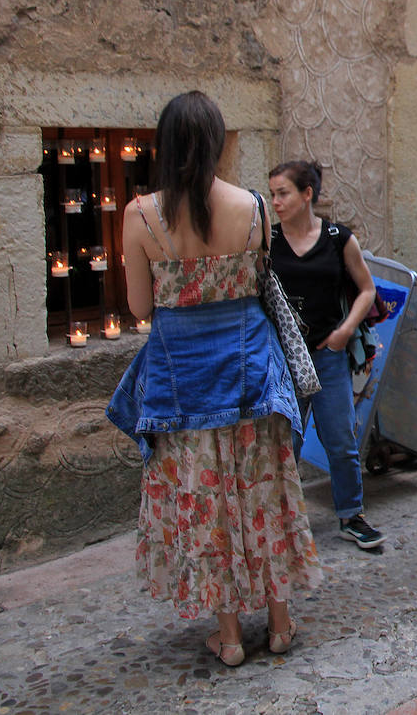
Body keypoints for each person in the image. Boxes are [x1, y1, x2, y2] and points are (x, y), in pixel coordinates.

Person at [107, 92, 319, 668]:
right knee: (263, 494)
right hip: (252, 374)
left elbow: (140, 308)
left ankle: (228, 637)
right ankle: (279, 624)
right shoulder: (253, 207)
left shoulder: (140, 215)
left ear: (164, 143)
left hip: (184, 384)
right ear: (220, 141)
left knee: (207, 504)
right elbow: (258, 285)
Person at [268, 160, 385, 551]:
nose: (276, 202)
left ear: (307, 195)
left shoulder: (337, 238)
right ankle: (281, 521)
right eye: (272, 195)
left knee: (340, 439)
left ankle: (352, 515)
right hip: (283, 359)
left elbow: (367, 289)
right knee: (285, 443)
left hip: (327, 354)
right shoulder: (268, 242)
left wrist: (344, 331)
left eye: (283, 193)